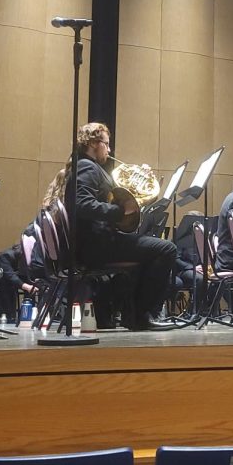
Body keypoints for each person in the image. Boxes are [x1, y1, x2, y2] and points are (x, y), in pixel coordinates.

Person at [69, 122, 178, 331]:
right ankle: (139, 314)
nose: (109, 150)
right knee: (166, 249)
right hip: (96, 245)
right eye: (106, 145)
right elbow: (81, 205)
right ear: (93, 143)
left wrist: (144, 181)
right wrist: (120, 212)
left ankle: (134, 314)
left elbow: (116, 200)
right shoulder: (86, 166)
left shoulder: (90, 168)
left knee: (153, 250)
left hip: (96, 241)